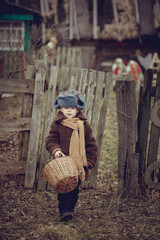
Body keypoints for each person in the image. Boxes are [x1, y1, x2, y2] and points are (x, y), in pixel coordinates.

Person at [45, 89, 98, 222]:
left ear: (78, 109)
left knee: (74, 189)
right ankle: (64, 211)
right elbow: (51, 141)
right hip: (63, 164)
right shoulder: (57, 125)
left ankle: (70, 209)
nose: (69, 110)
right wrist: (56, 150)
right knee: (63, 189)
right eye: (66, 107)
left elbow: (91, 144)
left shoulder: (84, 125)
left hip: (78, 164)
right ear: (61, 108)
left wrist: (90, 161)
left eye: (72, 108)